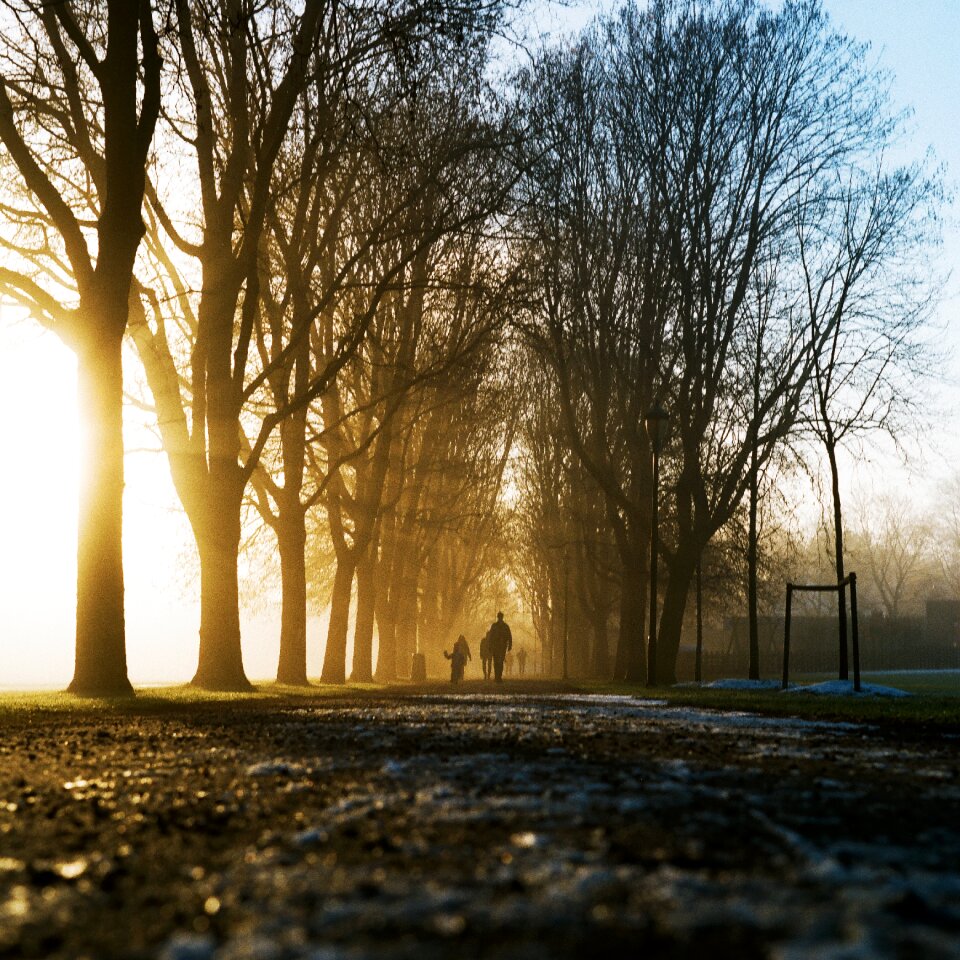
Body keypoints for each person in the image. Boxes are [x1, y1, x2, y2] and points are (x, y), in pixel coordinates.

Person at [486, 611, 512, 682]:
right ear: (498, 617)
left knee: (500, 661)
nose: (500, 618)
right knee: (496, 662)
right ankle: (497, 676)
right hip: (496, 647)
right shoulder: (495, 626)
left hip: (502, 647)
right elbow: (491, 637)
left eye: (500, 617)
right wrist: (490, 646)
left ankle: (499, 676)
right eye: (499, 617)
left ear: (501, 617)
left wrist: (510, 645)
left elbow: (509, 636)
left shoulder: (505, 626)